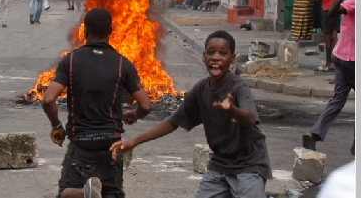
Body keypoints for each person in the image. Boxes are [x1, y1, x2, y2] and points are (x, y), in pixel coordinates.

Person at [111, 30, 271, 198]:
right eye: (211, 52)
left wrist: (231, 109)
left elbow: (251, 119)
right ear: (204, 57)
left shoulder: (239, 87)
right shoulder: (201, 89)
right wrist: (135, 141)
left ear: (232, 58)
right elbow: (172, 122)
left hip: (248, 164)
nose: (216, 57)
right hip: (220, 164)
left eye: (223, 53)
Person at [42, 8, 152, 198]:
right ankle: (92, 193)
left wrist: (56, 125)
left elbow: (48, 99)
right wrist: (134, 114)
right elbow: (146, 105)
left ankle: (84, 194)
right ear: (111, 31)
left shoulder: (70, 61)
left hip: (81, 144)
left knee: (65, 194)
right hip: (112, 144)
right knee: (111, 194)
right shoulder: (122, 64)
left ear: (84, 31)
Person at [303, 0, 355, 154]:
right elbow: (333, 13)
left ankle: (313, 134)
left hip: (340, 57)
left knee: (338, 98)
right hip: (351, 60)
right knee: (339, 98)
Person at [313, 0, 339, 72]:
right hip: (337, 9)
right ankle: (337, 62)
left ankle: (328, 63)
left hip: (327, 10)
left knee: (327, 38)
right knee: (334, 37)